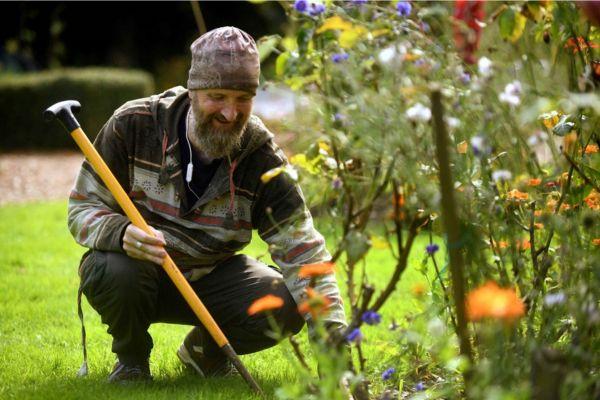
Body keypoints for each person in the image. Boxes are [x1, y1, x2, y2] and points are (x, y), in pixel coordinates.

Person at [68, 26, 347, 383]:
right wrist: (120, 233)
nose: (231, 113)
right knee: (116, 270)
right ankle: (132, 359)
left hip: (210, 279)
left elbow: (304, 252)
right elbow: (81, 208)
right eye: (218, 96)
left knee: (285, 304)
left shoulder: (262, 158)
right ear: (194, 90)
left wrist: (334, 351)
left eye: (242, 98)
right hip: (137, 274)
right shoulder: (133, 124)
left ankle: (204, 350)